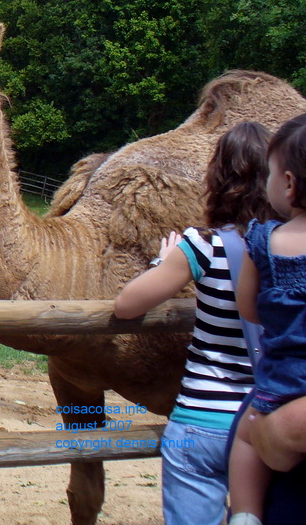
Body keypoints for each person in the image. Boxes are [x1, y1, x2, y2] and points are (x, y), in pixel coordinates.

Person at [114, 121, 276, 525]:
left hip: (202, 422)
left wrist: (165, 261)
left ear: (217, 179)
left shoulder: (203, 245)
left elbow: (127, 305)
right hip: (266, 422)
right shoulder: (288, 249)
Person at [228, 113, 306, 525]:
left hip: (282, 384)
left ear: (289, 184)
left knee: (246, 436)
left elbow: (250, 309)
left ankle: (244, 513)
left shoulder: (263, 238)